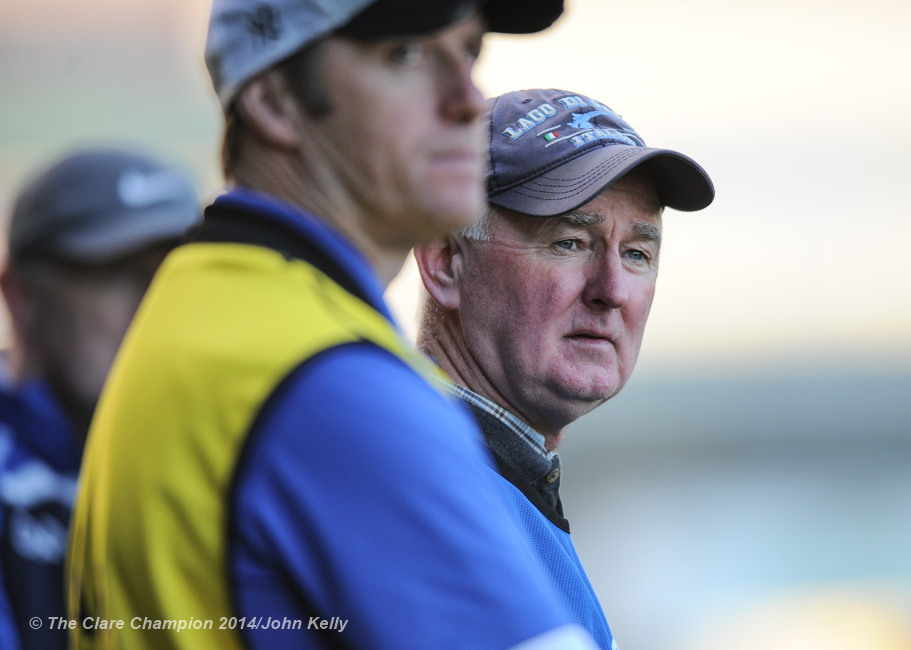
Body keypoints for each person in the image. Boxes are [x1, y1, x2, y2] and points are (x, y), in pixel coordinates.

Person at [67, 2, 599, 649]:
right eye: (405, 54)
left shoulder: (201, 306)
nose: (468, 101)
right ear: (274, 101)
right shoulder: (330, 382)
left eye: (468, 53)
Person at [415, 87, 715, 649]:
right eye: (570, 242)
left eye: (637, 254)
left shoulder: (495, 481)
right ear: (445, 263)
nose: (613, 291)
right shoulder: (420, 489)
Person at [0, 147, 201, 649]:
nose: (157, 305)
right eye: (119, 275)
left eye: (180, 277)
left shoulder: (217, 449)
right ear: (20, 294)